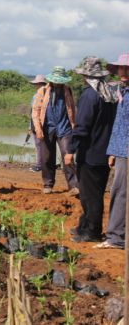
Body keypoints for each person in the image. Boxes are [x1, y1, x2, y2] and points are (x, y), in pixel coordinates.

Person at [64, 57, 117, 243]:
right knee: (95, 192)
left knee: (90, 195)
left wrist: (70, 150)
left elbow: (82, 126)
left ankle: (92, 232)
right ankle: (84, 226)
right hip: (104, 152)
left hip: (90, 153)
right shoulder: (108, 93)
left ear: (85, 76)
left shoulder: (89, 95)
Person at [99, 53, 129, 249]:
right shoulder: (122, 92)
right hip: (120, 150)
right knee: (119, 191)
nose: (123, 71)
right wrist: (113, 151)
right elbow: (119, 124)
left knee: (120, 192)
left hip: (126, 151)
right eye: (121, 68)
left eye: (127, 68)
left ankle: (116, 237)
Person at [32, 66, 78, 194]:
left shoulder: (67, 90)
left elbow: (72, 108)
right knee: (47, 157)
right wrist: (38, 129)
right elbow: (35, 111)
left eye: (60, 81)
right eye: (56, 80)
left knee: (67, 154)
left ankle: (73, 186)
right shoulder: (43, 90)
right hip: (48, 127)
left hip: (64, 127)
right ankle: (48, 184)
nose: (58, 83)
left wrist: (75, 126)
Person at [28, 75, 47, 172]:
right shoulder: (48, 94)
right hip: (46, 123)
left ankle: (39, 165)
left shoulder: (36, 96)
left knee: (39, 145)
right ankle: (45, 163)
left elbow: (33, 112)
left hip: (37, 123)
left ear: (39, 84)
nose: (35, 85)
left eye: (36, 84)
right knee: (45, 145)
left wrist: (30, 126)